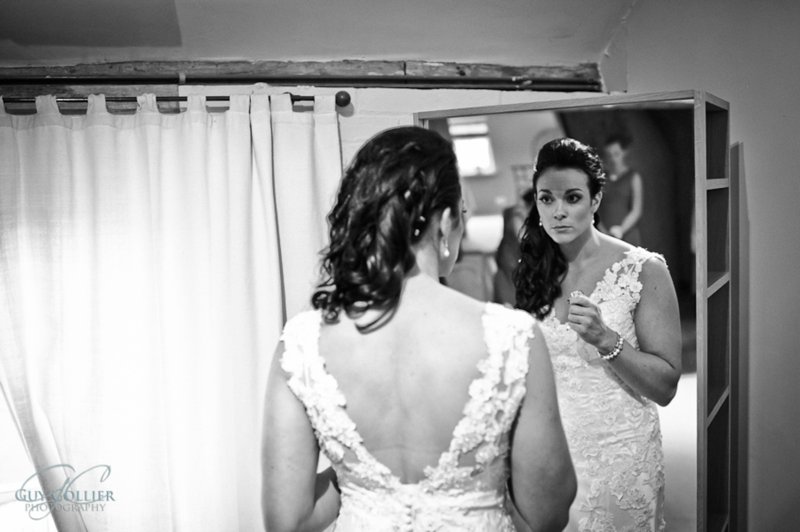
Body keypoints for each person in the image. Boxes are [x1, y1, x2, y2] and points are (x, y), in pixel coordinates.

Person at [262, 126, 576, 532]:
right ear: (444, 223)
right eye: (462, 214)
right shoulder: (513, 337)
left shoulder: (302, 344)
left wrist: (356, 472)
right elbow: (547, 514)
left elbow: (287, 521)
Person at [514, 138, 682, 531]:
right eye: (546, 199)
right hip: (553, 454)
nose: (558, 212)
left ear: (596, 200)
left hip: (620, 453)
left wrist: (606, 339)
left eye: (572, 198)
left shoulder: (643, 270)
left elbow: (666, 388)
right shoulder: (532, 270)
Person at [596, 134, 643, 245]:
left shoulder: (633, 177)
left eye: (616, 154)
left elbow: (636, 210)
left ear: (624, 153)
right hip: (605, 237)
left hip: (628, 236)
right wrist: (603, 232)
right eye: (609, 155)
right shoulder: (601, 178)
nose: (613, 159)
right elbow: (594, 209)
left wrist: (621, 230)